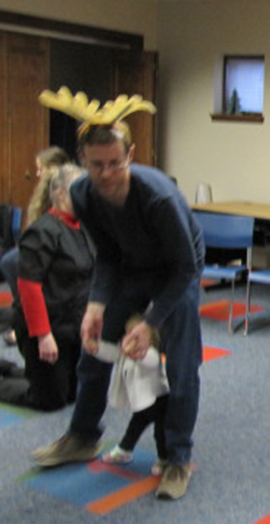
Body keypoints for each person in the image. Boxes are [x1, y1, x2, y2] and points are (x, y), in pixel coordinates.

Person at [30, 119, 205, 501]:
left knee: (181, 367)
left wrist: (150, 322)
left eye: (115, 163)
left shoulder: (158, 198)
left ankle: (178, 457)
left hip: (177, 273)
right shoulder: (82, 193)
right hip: (130, 270)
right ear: (83, 160)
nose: (106, 173)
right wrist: (96, 305)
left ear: (130, 156)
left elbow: (186, 268)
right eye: (96, 164)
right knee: (95, 353)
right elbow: (107, 255)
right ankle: (82, 436)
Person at [1, 164, 93, 411]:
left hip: (71, 328)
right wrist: (43, 336)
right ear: (61, 194)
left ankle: (8, 369)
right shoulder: (42, 232)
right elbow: (28, 288)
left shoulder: (83, 228)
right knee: (49, 401)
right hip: (44, 330)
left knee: (71, 395)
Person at [1, 146, 72, 346]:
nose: (38, 173)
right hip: (43, 243)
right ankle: (23, 312)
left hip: (58, 245)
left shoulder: (63, 191)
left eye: (41, 168)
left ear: (54, 167)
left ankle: (26, 317)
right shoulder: (44, 192)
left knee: (13, 263)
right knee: (10, 262)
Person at [95, 314, 169, 477]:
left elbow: (149, 361)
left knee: (160, 433)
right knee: (134, 427)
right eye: (127, 335)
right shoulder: (125, 352)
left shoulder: (151, 355)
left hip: (160, 400)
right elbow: (112, 353)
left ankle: (164, 459)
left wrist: (138, 353)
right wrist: (96, 347)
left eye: (135, 337)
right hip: (142, 401)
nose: (130, 340)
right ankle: (124, 449)